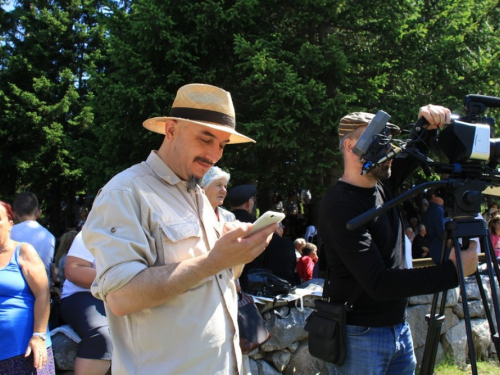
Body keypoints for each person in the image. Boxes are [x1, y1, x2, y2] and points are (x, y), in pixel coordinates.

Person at [82, 83, 277, 375]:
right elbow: (121, 296)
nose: (214, 154)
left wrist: (237, 251)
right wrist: (213, 261)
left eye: (222, 144)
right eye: (206, 139)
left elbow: (215, 275)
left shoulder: (197, 194)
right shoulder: (124, 192)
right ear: (171, 130)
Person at [318, 106, 478, 375]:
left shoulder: (382, 185)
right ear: (350, 145)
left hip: (398, 330)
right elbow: (379, 283)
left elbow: (413, 154)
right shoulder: (340, 206)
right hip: (361, 338)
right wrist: (452, 271)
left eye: (389, 141)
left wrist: (427, 124)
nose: (389, 150)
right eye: (379, 142)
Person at [0, 201, 55, 374]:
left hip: (23, 351)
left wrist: (39, 336)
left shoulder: (23, 251)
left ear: (10, 225)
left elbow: (43, 294)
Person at [60, 232, 112, 375]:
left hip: (130, 296)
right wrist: (118, 279)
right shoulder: (92, 231)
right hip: (84, 294)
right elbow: (73, 270)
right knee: (102, 335)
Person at [11, 192, 56, 281]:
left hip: (12, 289)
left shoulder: (8, 233)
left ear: (14, 214)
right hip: (42, 288)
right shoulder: (50, 237)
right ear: (39, 213)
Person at [422, 188, 446, 263]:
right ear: (433, 196)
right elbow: (442, 232)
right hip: (441, 248)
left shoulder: (430, 210)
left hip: (434, 247)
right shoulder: (437, 210)